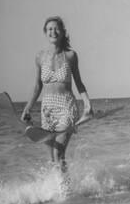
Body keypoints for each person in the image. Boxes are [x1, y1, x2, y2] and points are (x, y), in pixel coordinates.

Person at [21, 16, 93, 172]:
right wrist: (27, 108)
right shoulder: (39, 57)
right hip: (47, 109)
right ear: (45, 33)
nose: (53, 31)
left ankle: (65, 194)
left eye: (56, 28)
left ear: (62, 32)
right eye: (49, 29)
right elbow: (37, 86)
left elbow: (79, 83)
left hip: (66, 106)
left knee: (58, 153)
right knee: (53, 158)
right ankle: (61, 190)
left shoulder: (70, 56)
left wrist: (87, 104)